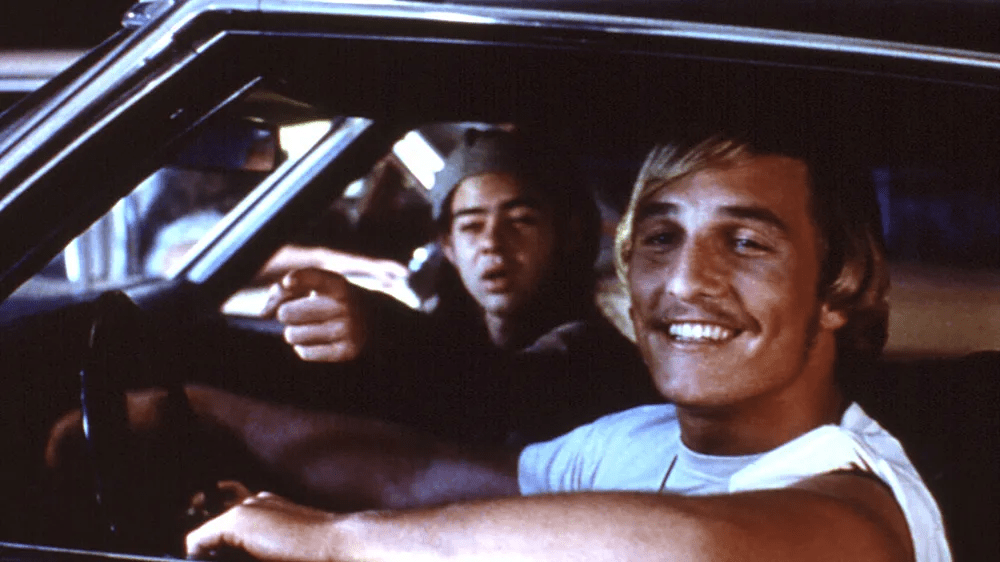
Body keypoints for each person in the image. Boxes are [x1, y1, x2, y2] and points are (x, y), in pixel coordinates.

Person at [184, 133, 950, 562]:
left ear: (841, 284)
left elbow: (694, 547)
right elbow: (415, 472)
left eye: (746, 242)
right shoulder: (634, 440)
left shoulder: (858, 501)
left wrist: (332, 540)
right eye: (660, 239)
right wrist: (208, 411)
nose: (685, 281)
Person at [255, 127, 659, 444]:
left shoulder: (597, 357)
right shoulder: (453, 340)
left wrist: (379, 327)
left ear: (568, 234)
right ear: (447, 245)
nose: (492, 243)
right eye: (471, 225)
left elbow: (501, 390)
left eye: (520, 221)